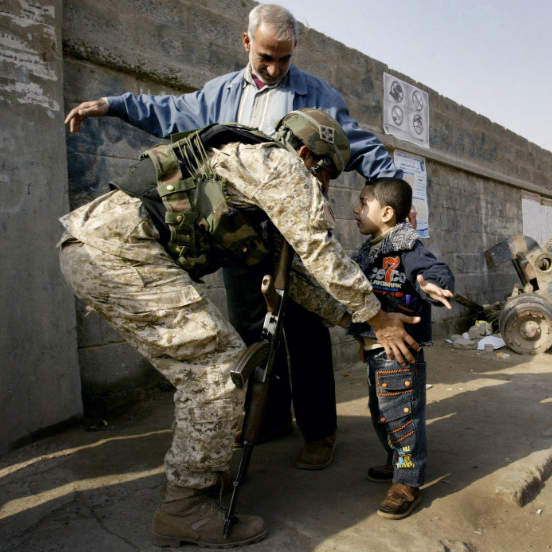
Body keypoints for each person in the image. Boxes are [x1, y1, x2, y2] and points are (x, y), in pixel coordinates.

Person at [64, 3, 403, 471]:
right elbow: (167, 112)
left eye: (284, 59)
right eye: (266, 56)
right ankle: (267, 418)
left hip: (287, 231)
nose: (274, 67)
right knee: (251, 329)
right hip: (235, 232)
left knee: (303, 330)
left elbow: (359, 151)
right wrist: (112, 105)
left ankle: (319, 431)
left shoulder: (316, 96)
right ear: (247, 43)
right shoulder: (220, 93)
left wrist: (396, 212)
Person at [58, 110, 419, 547]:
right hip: (116, 254)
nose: (323, 186)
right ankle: (183, 507)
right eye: (325, 173)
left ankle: (197, 483)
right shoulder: (280, 164)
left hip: (100, 249)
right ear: (306, 153)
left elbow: (297, 278)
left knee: (208, 364)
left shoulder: (247, 173)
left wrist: (351, 320)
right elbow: (322, 254)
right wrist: (377, 320)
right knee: (215, 370)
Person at [347, 178, 454, 520]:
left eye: (363, 203)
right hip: (378, 351)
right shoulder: (368, 251)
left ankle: (408, 481)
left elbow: (434, 270)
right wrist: (364, 340)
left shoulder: (407, 245)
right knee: (382, 416)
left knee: (402, 420)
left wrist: (433, 286)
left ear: (387, 212)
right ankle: (397, 462)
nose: (356, 210)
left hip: (400, 355)